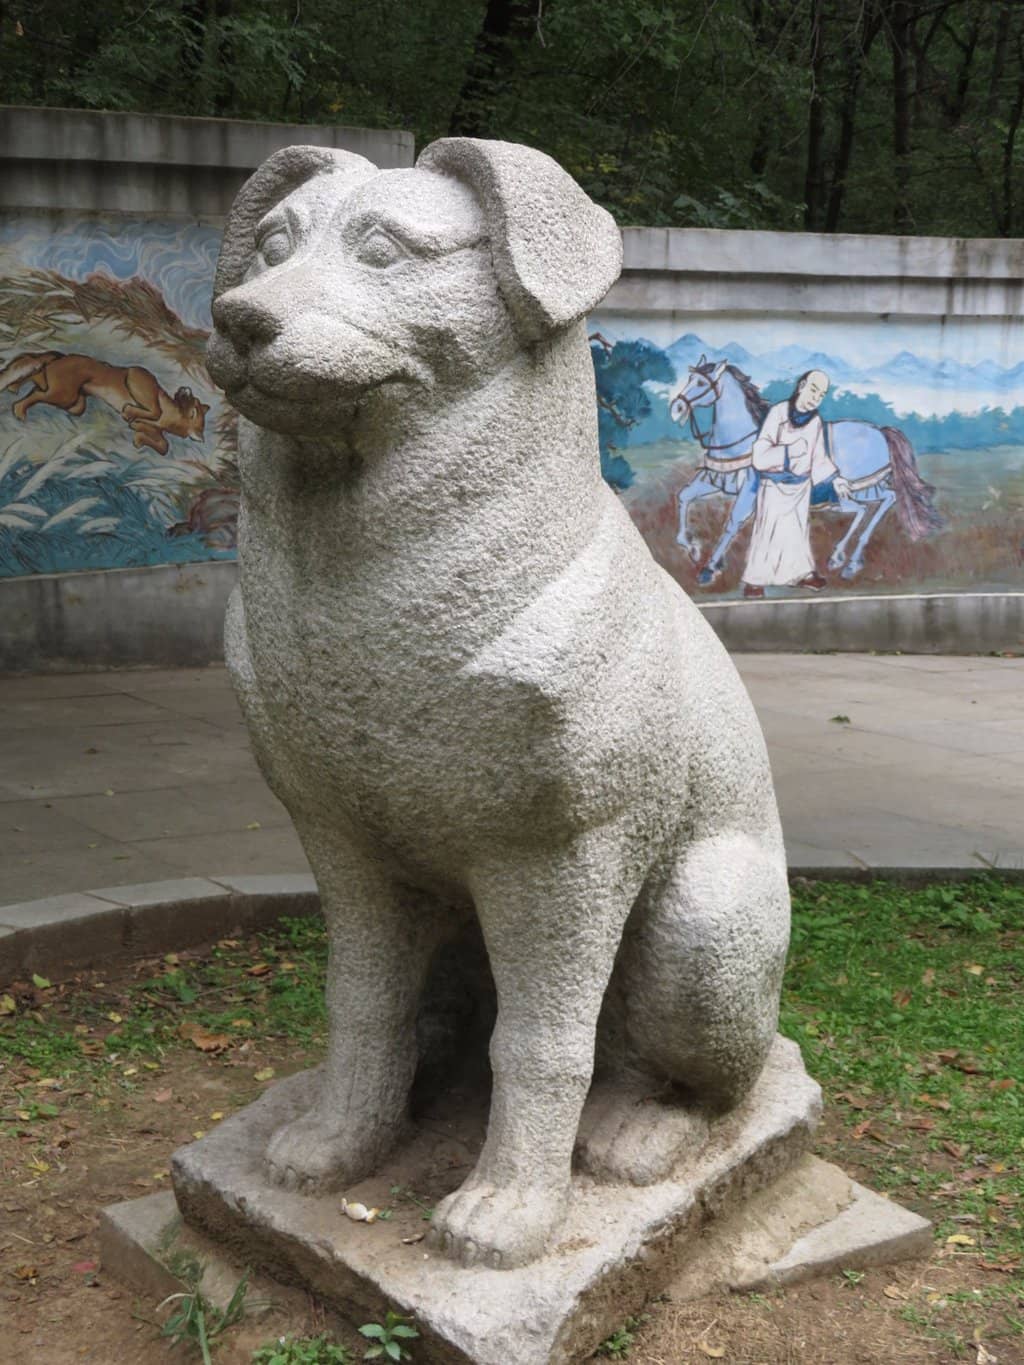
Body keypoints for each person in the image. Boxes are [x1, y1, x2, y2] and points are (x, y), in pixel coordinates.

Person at [741, 369, 851, 598]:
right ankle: (756, 581)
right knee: (768, 533)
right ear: (801, 386)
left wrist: (836, 478)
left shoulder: (815, 421)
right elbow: (760, 454)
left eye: (821, 395)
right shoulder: (779, 413)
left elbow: (819, 457)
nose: (815, 398)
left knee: (796, 534)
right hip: (774, 487)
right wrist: (788, 452)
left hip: (800, 488)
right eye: (813, 390)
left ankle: (800, 574)